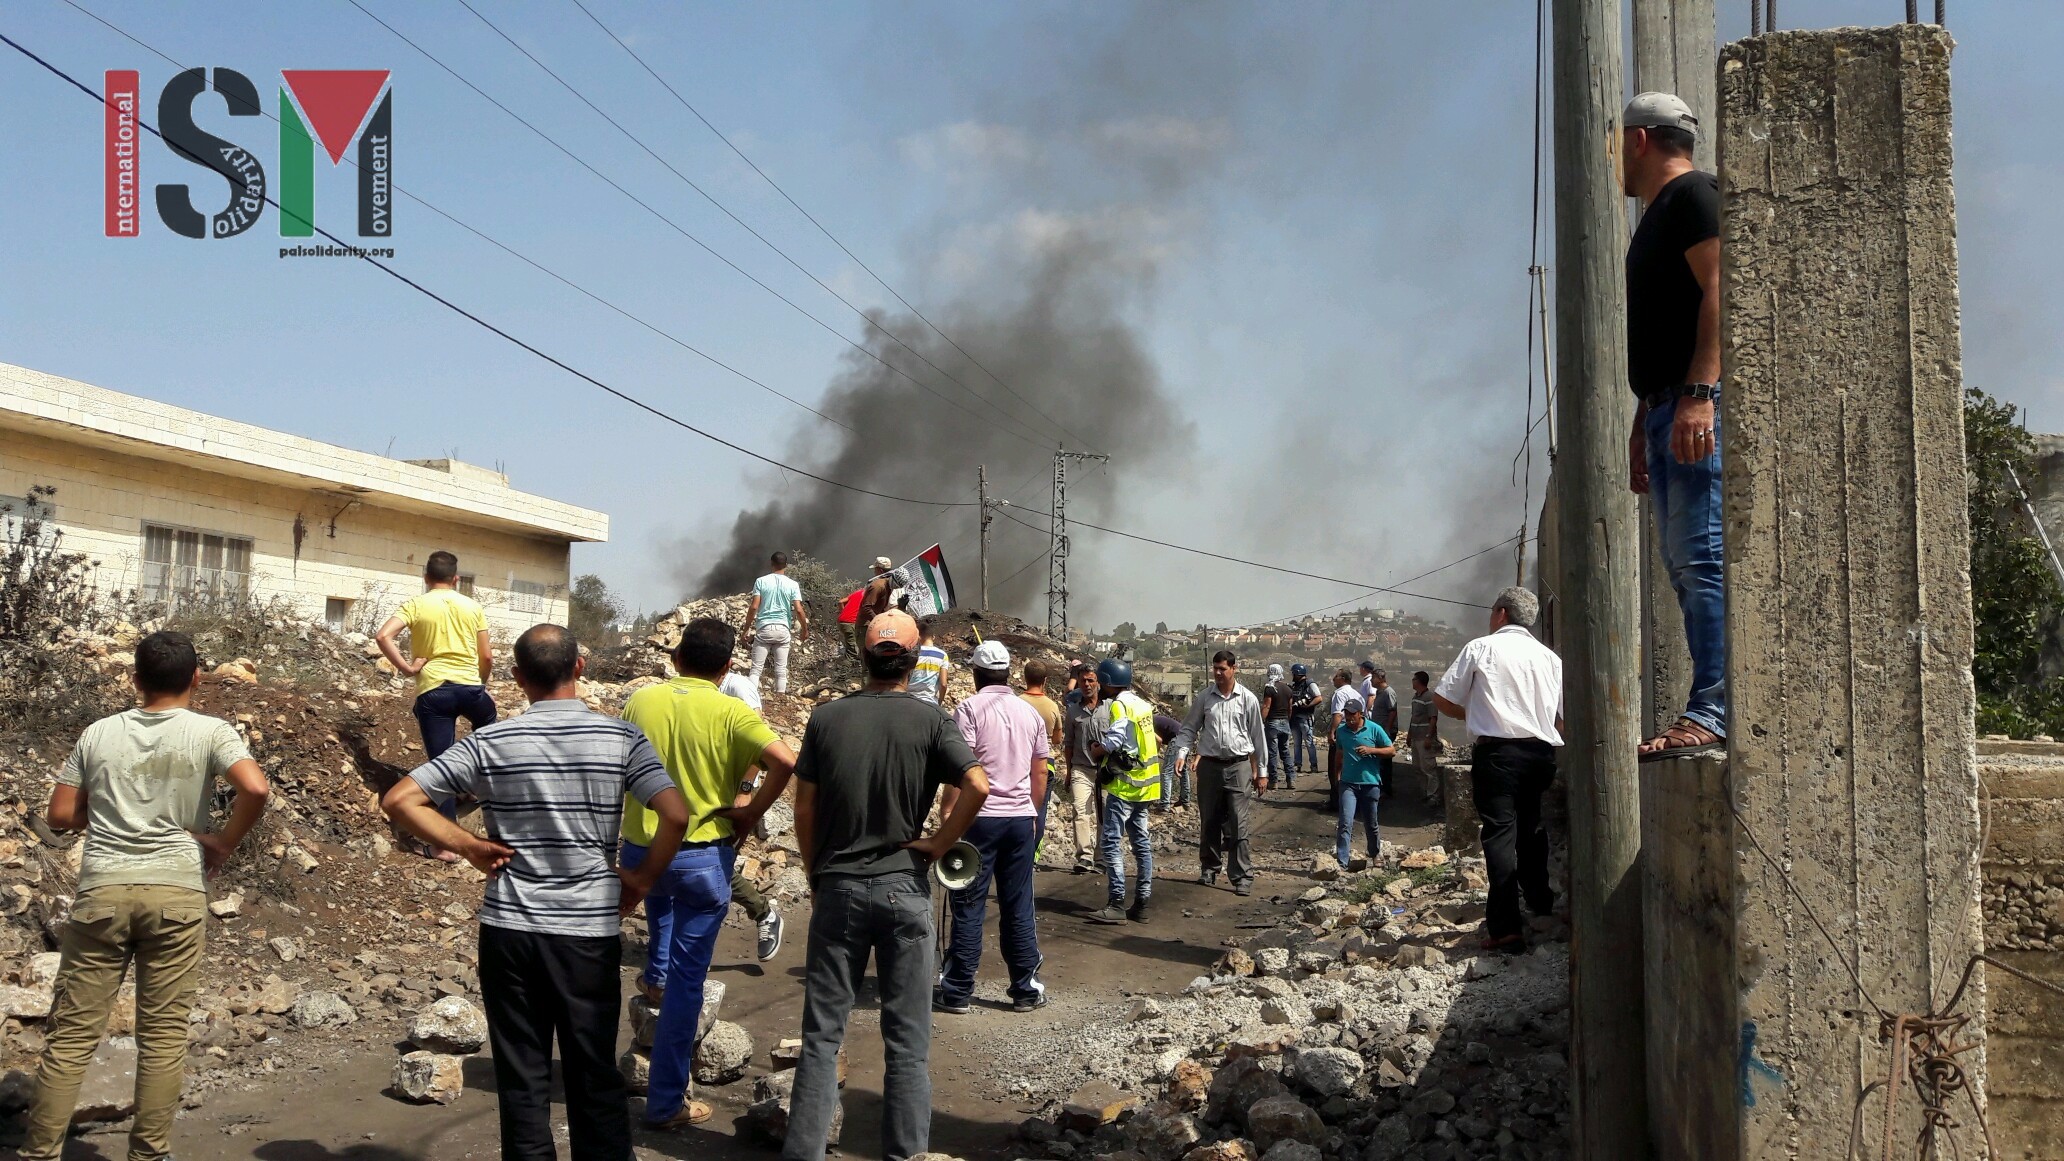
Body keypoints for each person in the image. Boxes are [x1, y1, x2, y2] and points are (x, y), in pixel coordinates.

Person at [383, 624, 688, 1159]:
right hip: (587, 934)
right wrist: (640, 880)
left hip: (510, 931)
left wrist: (468, 845)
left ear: (518, 678)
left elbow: (402, 799)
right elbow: (675, 814)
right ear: (580, 667)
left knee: (522, 1077)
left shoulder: (489, 742)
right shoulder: (620, 738)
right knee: (593, 1073)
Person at [21, 631, 271, 1161]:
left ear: (134, 680)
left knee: (69, 1041)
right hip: (176, 892)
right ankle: (149, 1155)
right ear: (196, 679)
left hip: (103, 890)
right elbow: (255, 788)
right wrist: (223, 842)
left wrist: (105, 808)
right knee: (161, 1039)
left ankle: (38, 1153)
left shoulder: (97, 733)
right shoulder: (211, 731)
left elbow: (60, 816)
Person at [784, 610, 991, 1161]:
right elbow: (977, 784)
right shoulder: (930, 720)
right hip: (904, 886)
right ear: (915, 660)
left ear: (864, 657)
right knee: (907, 1044)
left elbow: (803, 804)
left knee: (823, 1037)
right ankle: (905, 1154)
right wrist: (939, 844)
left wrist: (814, 870)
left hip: (840, 887)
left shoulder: (826, 719)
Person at [620, 617, 798, 1129]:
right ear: (725, 668)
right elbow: (784, 760)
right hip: (701, 854)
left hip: (641, 850)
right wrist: (749, 809)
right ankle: (665, 1102)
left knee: (659, 926)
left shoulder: (640, 702)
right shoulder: (731, 711)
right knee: (688, 982)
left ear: (675, 659)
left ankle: (653, 982)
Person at [1623, 90, 1727, 761]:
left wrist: (1698, 393)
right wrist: (1643, 418)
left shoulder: (1693, 196)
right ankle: (1707, 703)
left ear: (1636, 141)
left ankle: (1714, 708)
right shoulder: (1657, 215)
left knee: (1702, 557)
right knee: (1684, 564)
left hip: (1690, 405)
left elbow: (1724, 285)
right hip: (1663, 407)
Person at [1433, 587, 1563, 954]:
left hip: (1498, 755)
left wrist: (1473, 714)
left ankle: (1506, 927)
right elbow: (1561, 719)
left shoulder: (1481, 648)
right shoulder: (1550, 658)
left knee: (1500, 835)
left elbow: (1443, 698)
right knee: (1532, 827)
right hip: (1541, 754)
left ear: (1502, 613)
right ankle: (1540, 901)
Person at [936, 640, 1051, 1014]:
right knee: (1018, 903)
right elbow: (1040, 773)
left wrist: (948, 810)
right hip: (1019, 821)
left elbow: (962, 767)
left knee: (968, 903)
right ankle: (1025, 990)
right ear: (1008, 673)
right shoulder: (1030, 713)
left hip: (979, 821)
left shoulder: (968, 710)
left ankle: (956, 991)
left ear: (975, 674)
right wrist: (1032, 814)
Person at [377, 549, 494, 851]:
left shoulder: (416, 604)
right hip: (471, 689)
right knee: (488, 730)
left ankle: (444, 846)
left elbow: (383, 636)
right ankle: (475, 788)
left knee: (441, 767)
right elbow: (487, 656)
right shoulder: (472, 606)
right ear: (456, 579)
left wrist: (406, 668)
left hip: (434, 691)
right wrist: (480, 682)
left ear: (426, 577)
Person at [1174, 651, 1266, 896]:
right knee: (1209, 820)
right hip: (1210, 767)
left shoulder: (1247, 699)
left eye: (1222, 668)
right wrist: (1182, 753)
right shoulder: (1205, 698)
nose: (1217, 673)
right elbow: (1188, 729)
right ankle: (1209, 868)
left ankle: (1242, 875)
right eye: (1215, 668)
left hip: (1239, 766)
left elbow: (1258, 737)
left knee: (1238, 822)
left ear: (1234, 669)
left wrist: (1262, 771)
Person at [714, 668, 786, 961]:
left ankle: (764, 913)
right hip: (713, 788)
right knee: (707, 859)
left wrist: (745, 788)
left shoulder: (738, 687)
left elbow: (760, 743)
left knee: (714, 860)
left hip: (733, 792)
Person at [1086, 657, 1163, 924]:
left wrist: (1099, 749)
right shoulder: (1141, 704)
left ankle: (1116, 902)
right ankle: (1142, 903)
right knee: (1141, 844)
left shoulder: (1119, 706)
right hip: (1146, 787)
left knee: (1110, 842)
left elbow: (1116, 739)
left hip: (1125, 787)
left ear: (1107, 682)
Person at [1333, 701, 1395, 869]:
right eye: (1346, 714)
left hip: (1370, 782)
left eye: (1352, 714)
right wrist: (1337, 777)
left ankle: (1375, 853)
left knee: (1371, 822)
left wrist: (1371, 750)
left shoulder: (1374, 729)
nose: (1349, 718)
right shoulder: (1341, 731)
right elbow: (1339, 754)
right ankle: (1342, 861)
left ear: (1360, 714)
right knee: (1345, 822)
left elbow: (1391, 750)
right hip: (1348, 783)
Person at [1059, 663, 1103, 873]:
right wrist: (1068, 772)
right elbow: (1068, 744)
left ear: (1098, 682)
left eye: (1090, 680)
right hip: (1080, 769)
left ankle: (1102, 858)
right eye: (1083, 680)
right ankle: (1084, 857)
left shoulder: (1110, 709)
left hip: (1105, 772)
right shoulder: (1073, 711)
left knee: (1104, 815)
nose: (1086, 684)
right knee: (1080, 810)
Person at [745, 551, 810, 695]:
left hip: (764, 628)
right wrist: (804, 629)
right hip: (783, 629)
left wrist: (746, 628)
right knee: (781, 669)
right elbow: (799, 610)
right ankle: (780, 698)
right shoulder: (793, 584)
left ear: (771, 564)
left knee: (756, 669)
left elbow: (754, 606)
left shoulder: (761, 581)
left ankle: (749, 699)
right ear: (786, 565)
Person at [1018, 660, 1065, 848]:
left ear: (1024, 678)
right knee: (1040, 809)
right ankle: (1033, 853)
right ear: (1045, 681)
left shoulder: (1017, 702)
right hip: (1046, 763)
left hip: (1021, 762)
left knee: (1019, 807)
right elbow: (1057, 739)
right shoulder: (1052, 706)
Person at [1408, 670, 1446, 809]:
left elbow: (1433, 718)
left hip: (1424, 737)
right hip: (1416, 737)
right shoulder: (1415, 697)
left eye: (1414, 679)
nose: (1412, 681)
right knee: (1418, 767)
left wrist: (1429, 737)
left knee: (1428, 768)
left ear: (1419, 681)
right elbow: (1414, 717)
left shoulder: (1429, 697)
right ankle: (1424, 793)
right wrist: (1409, 734)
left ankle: (1433, 796)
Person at [1326, 669, 1360, 810]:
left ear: (1343, 678)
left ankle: (1336, 802)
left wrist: (1332, 732)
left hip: (1342, 732)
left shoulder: (1339, 694)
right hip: (1355, 733)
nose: (1333, 679)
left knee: (1335, 766)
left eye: (1336, 676)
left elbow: (1338, 715)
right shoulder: (1357, 694)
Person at [1261, 663, 1295, 792]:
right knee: (1285, 751)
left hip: (1273, 723)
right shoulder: (1288, 689)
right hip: (1285, 722)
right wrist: (1288, 720)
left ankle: (1273, 781)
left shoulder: (1270, 688)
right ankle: (1291, 779)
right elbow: (1290, 708)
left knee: (1272, 753)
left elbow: (1267, 706)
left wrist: (1260, 720)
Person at [1367, 667, 1398, 798]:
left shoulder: (1388, 692)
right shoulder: (1380, 692)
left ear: (1380, 678)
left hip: (1385, 731)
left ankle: (1386, 788)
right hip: (1379, 731)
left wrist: (1386, 729)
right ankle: (1381, 786)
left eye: (1373, 678)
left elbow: (1392, 711)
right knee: (1380, 761)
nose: (1371, 681)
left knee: (1385, 761)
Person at [908, 617, 950, 705]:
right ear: (933, 637)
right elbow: (943, 684)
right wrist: (940, 701)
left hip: (909, 700)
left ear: (917, 637)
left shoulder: (912, 653)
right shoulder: (942, 655)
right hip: (929, 702)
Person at [1289, 663, 1322, 774]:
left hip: (1305, 717)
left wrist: (1308, 705)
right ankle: (1297, 764)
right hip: (1295, 717)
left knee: (1309, 742)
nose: (1292, 675)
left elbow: (1318, 697)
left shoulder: (1309, 684)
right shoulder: (1295, 685)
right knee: (1297, 743)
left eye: (1294, 673)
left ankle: (1313, 765)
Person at [855, 556, 896, 644]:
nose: (874, 572)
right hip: (868, 624)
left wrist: (879, 621)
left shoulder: (877, 585)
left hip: (867, 625)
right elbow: (867, 607)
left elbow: (866, 607)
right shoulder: (885, 584)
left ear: (880, 570)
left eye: (875, 569)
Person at [1155, 711, 1189, 810]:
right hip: (1186, 737)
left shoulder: (1146, 724)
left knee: (1166, 772)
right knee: (1182, 769)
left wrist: (1155, 752)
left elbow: (1159, 740)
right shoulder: (1153, 719)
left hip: (1176, 738)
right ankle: (1185, 801)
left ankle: (1164, 804)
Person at [838, 586, 865, 657]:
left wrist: (843, 612)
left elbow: (840, 602)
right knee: (852, 649)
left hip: (842, 621)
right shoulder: (869, 595)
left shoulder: (858, 592)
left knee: (850, 643)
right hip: (850, 622)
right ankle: (847, 665)